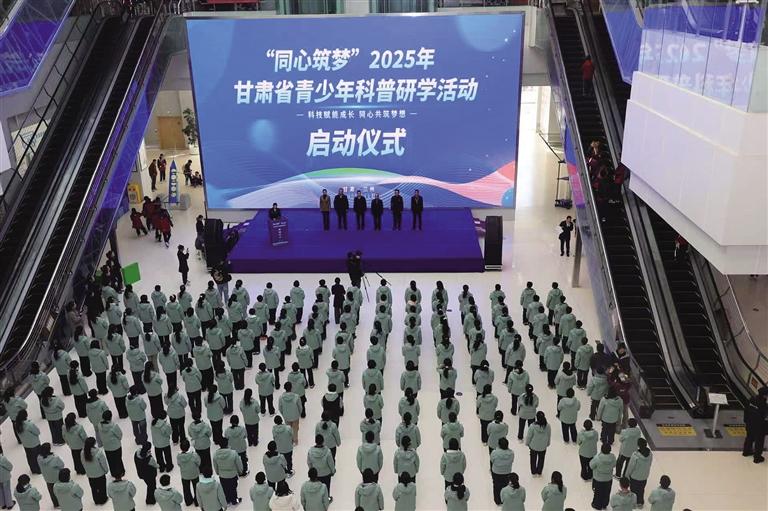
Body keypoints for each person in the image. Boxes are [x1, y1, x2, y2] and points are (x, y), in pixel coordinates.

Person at [213, 437, 243, 505]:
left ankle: (227, 499)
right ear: (227, 444)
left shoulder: (215, 454)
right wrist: (240, 471)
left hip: (222, 475)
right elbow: (238, 464)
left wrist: (218, 472)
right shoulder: (233, 453)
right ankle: (234, 500)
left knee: (225, 488)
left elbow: (215, 465)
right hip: (232, 475)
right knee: (233, 488)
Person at [624, 438, 653, 507]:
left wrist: (627, 475)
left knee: (633, 490)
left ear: (638, 445)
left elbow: (630, 467)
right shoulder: (650, 454)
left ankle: (633, 503)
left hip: (635, 476)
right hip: (644, 476)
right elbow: (650, 464)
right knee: (641, 489)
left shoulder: (635, 456)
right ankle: (640, 502)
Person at [743, 386, 768, 463]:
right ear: (765, 395)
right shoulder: (763, 404)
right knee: (759, 441)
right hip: (759, 426)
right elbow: (764, 416)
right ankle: (757, 458)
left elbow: (746, 410)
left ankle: (746, 452)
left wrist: (745, 420)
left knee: (749, 437)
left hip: (749, 423)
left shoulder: (751, 399)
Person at [81, 437, 109, 505]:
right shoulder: (98, 452)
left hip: (90, 474)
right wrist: (106, 470)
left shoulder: (83, 453)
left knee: (94, 488)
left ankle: (96, 500)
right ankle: (103, 499)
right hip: (100, 474)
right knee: (102, 487)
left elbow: (82, 462)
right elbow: (103, 463)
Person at [590, 443, 616, 510]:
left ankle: (597, 505)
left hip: (598, 479)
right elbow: (614, 465)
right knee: (607, 492)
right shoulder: (613, 457)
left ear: (601, 449)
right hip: (608, 478)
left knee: (598, 493)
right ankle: (604, 504)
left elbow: (591, 466)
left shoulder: (597, 458)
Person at [525, 411, 550, 476]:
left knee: (533, 459)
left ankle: (533, 472)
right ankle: (539, 472)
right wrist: (547, 443)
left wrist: (527, 443)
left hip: (533, 446)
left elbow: (529, 436)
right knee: (541, 459)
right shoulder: (547, 426)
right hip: (543, 446)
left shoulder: (532, 426)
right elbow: (549, 435)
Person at [490, 437, 514, 505]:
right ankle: (503, 499)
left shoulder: (494, 453)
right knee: (505, 485)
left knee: (496, 485)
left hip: (496, 472)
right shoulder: (511, 453)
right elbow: (512, 461)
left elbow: (492, 460)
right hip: (507, 472)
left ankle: (497, 500)